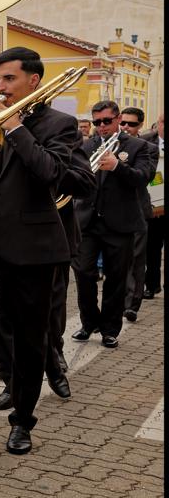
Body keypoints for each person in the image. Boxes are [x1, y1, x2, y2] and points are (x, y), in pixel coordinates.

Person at [0, 48, 90, 459]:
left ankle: (22, 422)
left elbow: (53, 174)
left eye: (8, 79)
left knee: (31, 344)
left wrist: (15, 129)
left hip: (35, 251)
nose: (0, 88)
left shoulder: (60, 125)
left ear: (33, 80)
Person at [71, 101, 155, 348]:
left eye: (106, 121)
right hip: (87, 221)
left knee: (116, 278)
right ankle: (89, 322)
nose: (101, 127)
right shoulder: (87, 145)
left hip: (120, 222)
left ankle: (109, 328)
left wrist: (118, 166)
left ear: (118, 119)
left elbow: (142, 178)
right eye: (97, 122)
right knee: (83, 273)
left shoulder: (140, 146)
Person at [119, 108, 159, 323]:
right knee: (116, 262)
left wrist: (117, 165)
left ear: (139, 126)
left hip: (136, 209)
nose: (126, 127)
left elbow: (145, 176)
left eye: (131, 124)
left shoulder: (149, 148)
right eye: (123, 123)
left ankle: (131, 305)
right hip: (110, 211)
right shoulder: (108, 144)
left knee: (135, 259)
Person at [143, 113, 165, 300]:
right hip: (154, 205)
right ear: (158, 124)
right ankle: (151, 285)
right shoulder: (145, 142)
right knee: (152, 248)